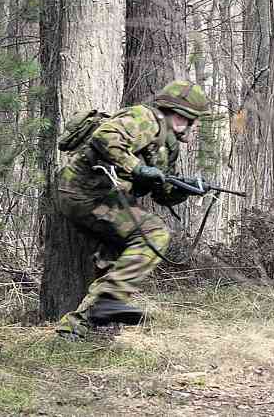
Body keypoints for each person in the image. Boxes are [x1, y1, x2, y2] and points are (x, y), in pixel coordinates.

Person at [52, 79, 208, 340]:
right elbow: (104, 136)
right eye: (194, 120)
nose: (195, 127)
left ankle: (76, 327)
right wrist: (136, 168)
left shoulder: (168, 145)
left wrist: (185, 188)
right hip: (85, 193)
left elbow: (163, 193)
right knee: (154, 234)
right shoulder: (145, 118)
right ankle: (108, 301)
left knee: (114, 259)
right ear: (181, 116)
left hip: (105, 198)